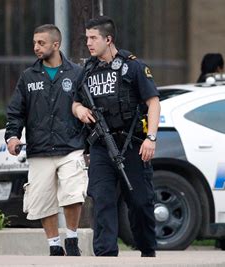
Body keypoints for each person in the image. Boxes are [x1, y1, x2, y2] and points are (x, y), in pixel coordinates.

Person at [72, 16, 160, 257]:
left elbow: (153, 103)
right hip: (101, 146)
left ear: (108, 39)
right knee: (102, 200)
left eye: (93, 38)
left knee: (140, 202)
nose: (88, 42)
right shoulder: (87, 70)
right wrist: (79, 110)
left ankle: (147, 250)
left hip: (132, 144)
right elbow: (75, 101)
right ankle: (105, 255)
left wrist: (151, 138)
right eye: (87, 37)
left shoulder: (133, 67)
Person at [5, 24, 87, 256]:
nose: (36, 47)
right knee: (42, 200)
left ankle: (71, 239)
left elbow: (88, 107)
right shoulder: (28, 76)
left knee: (73, 193)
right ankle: (54, 245)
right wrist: (12, 136)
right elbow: (15, 111)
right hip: (39, 149)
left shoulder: (77, 73)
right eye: (34, 43)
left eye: (41, 43)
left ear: (56, 44)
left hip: (71, 146)